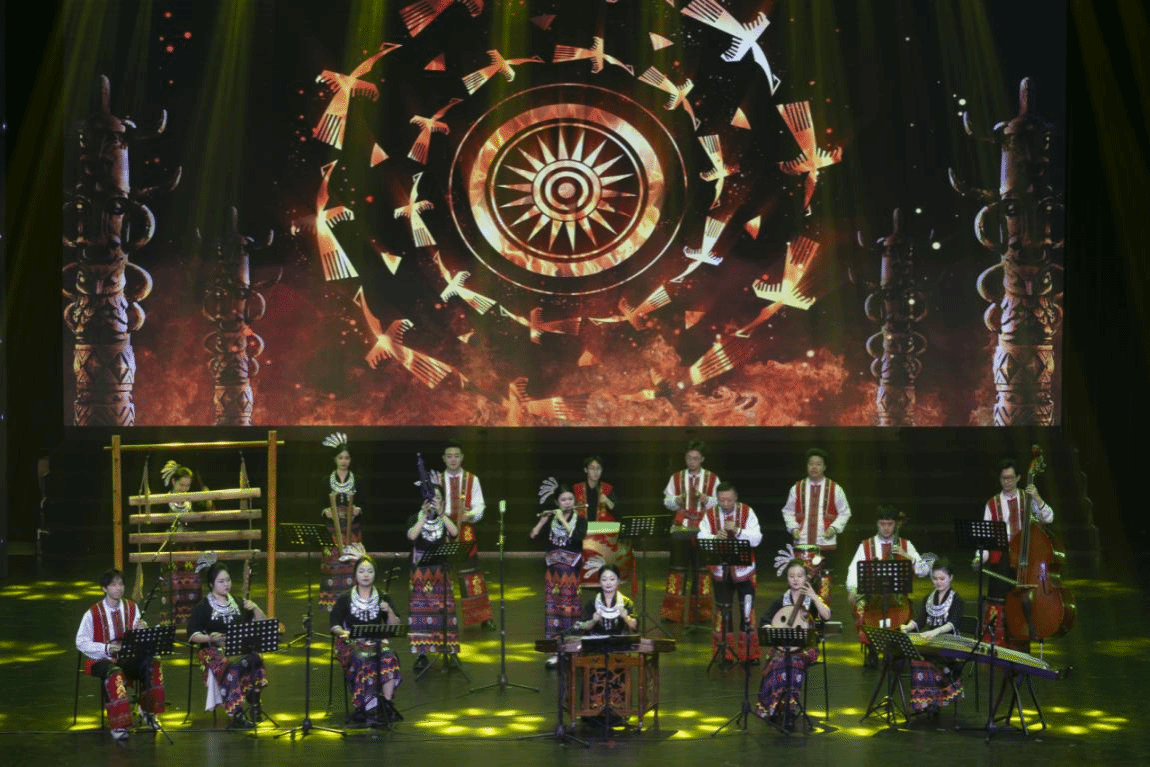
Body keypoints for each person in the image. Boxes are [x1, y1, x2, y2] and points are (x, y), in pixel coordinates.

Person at [75, 568, 166, 740]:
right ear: (104, 588)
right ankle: (119, 724)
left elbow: (138, 639)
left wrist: (142, 630)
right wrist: (107, 648)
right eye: (113, 585)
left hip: (127, 657)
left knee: (153, 662)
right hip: (102, 659)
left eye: (121, 584)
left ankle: (148, 711)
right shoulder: (93, 613)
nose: (119, 588)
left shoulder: (131, 607)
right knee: (114, 672)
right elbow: (81, 642)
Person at [975, 459, 1054, 651]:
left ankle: (1022, 644)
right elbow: (986, 539)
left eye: (1010, 478)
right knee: (998, 604)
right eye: (1003, 478)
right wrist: (979, 557)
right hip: (1001, 559)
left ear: (1018, 478)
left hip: (1024, 560)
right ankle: (997, 647)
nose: (1007, 482)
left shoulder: (1027, 498)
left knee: (1023, 602)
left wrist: (1037, 498)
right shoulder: (992, 504)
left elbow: (1049, 518)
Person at [845, 506, 931, 664]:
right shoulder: (866, 545)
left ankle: (895, 648)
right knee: (860, 608)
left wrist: (907, 556)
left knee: (903, 612)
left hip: (897, 600)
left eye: (890, 524)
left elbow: (924, 571)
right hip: (873, 599)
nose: (886, 528)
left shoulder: (905, 544)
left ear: (895, 524)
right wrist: (852, 589)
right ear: (877, 524)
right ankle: (871, 647)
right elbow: (853, 570)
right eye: (882, 524)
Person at [187, 562, 269, 727]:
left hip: (237, 646)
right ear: (212, 584)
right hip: (212, 650)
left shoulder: (237, 602)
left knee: (255, 658)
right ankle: (236, 712)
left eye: (228, 580)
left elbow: (262, 622)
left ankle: (255, 704)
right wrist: (209, 638)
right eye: (221, 581)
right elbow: (192, 635)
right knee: (230, 667)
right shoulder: (203, 607)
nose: (226, 584)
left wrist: (255, 608)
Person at [754, 559, 831, 731]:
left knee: (794, 664)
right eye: (791, 576)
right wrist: (771, 629)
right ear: (787, 579)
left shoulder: (811, 600)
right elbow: (765, 621)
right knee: (777, 662)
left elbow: (827, 616)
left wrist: (814, 596)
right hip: (784, 647)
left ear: (805, 578)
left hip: (806, 648)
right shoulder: (781, 600)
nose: (795, 579)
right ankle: (774, 707)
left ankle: (789, 710)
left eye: (799, 576)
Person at [330, 555, 403, 724]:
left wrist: (389, 611)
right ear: (355, 575)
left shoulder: (383, 597)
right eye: (361, 571)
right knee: (363, 658)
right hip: (351, 643)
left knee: (389, 656)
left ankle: (386, 704)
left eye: (370, 571)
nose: (365, 575)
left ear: (374, 574)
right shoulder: (345, 598)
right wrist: (344, 633)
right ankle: (365, 705)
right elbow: (334, 624)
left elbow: (394, 626)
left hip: (375, 642)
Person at [698, 482, 763, 664]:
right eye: (721, 500)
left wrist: (738, 530)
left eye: (728, 500)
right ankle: (724, 653)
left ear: (736, 497)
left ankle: (749, 654)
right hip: (721, 570)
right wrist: (714, 538)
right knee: (723, 611)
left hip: (745, 570)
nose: (725, 504)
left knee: (747, 610)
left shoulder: (747, 512)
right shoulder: (710, 514)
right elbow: (701, 538)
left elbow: (757, 538)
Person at [781, 448, 851, 603]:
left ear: (824, 467)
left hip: (825, 545)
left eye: (818, 464)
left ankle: (822, 613)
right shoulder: (797, 488)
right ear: (806, 466)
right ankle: (799, 613)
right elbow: (787, 511)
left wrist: (833, 528)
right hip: (802, 545)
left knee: (823, 583)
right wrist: (793, 528)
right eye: (811, 463)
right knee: (798, 582)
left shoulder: (835, 488)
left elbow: (845, 512)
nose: (814, 467)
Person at [660, 441, 719, 623]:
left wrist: (707, 500)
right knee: (677, 570)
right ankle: (672, 613)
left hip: (704, 530)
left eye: (695, 458)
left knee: (702, 572)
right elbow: (666, 501)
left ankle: (702, 614)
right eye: (689, 458)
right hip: (681, 529)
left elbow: (719, 502)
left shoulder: (712, 478)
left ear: (702, 459)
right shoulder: (677, 477)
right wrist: (676, 500)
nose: (692, 461)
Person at [574, 565, 639, 726]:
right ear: (599, 582)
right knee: (593, 668)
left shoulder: (626, 602)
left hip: (618, 647)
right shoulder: (592, 603)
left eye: (612, 579)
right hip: (596, 647)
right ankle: (592, 710)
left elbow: (635, 626)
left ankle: (618, 710)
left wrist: (626, 617)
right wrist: (593, 620)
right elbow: (582, 626)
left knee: (617, 669)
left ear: (618, 581)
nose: (608, 583)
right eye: (604, 579)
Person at [441, 442, 496, 630]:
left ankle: (482, 617)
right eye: (449, 456)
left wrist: (470, 515)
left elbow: (480, 505)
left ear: (462, 457)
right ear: (444, 459)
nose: (453, 459)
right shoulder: (437, 479)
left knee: (471, 574)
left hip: (465, 530)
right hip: (443, 530)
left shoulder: (472, 479)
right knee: (442, 573)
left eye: (456, 456)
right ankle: (442, 617)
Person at [531, 486, 588, 667]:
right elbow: (533, 536)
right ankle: (555, 652)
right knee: (553, 612)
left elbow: (576, 538)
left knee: (570, 611)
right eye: (563, 500)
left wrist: (562, 519)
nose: (567, 503)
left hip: (571, 574)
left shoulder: (581, 520)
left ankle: (572, 651)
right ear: (557, 502)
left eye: (570, 499)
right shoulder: (551, 519)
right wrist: (542, 522)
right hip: (553, 573)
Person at [407, 486, 461, 672]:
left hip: (440, 572)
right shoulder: (415, 518)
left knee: (446, 612)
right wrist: (424, 515)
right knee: (420, 614)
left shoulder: (444, 519)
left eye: (437, 498)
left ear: (443, 501)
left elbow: (454, 533)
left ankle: (451, 652)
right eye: (430, 498)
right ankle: (422, 654)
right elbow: (411, 536)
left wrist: (442, 514)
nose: (433, 501)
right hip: (420, 574)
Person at [900, 560, 964, 715]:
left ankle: (932, 701)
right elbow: (920, 620)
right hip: (932, 642)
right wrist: (907, 627)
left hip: (951, 644)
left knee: (928, 660)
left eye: (942, 579)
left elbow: (953, 623)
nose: (938, 582)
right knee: (917, 657)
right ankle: (925, 702)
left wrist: (935, 632)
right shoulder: (928, 598)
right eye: (935, 579)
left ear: (951, 578)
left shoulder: (957, 599)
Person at [319, 433, 364, 612]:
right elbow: (318, 504)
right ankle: (333, 607)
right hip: (332, 530)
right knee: (333, 567)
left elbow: (366, 503)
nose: (344, 461)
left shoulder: (358, 479)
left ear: (350, 460)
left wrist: (359, 509)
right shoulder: (325, 480)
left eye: (347, 458)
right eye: (340, 458)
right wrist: (325, 510)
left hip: (352, 529)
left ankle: (354, 603)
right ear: (335, 459)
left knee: (353, 564)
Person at [160, 460, 204, 625]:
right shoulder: (163, 501)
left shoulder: (193, 501)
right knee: (172, 588)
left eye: (187, 486)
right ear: (173, 482)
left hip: (190, 551)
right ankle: (170, 626)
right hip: (171, 552)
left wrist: (208, 503)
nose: (184, 489)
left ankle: (193, 625)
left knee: (193, 588)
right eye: (181, 485)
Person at [573, 456, 617, 522]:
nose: (595, 471)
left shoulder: (607, 488)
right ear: (586, 470)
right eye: (592, 468)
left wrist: (607, 501)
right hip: (582, 526)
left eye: (598, 468)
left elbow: (617, 512)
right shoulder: (577, 488)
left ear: (602, 470)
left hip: (602, 527)